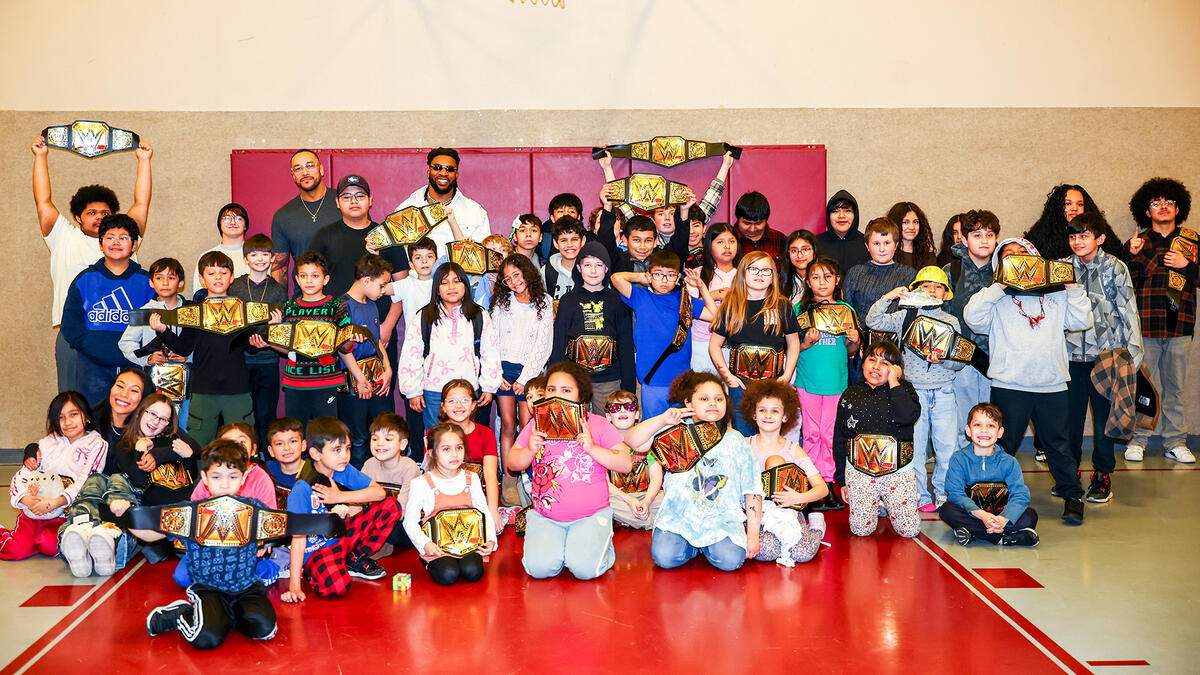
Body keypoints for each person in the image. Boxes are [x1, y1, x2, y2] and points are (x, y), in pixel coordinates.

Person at [964, 238, 1094, 525]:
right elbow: (973, 318)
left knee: (1059, 445)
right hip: (1010, 383)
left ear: (1036, 257)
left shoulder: (1057, 292)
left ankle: (1072, 496)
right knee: (1003, 444)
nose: (1018, 258)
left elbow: (1082, 321)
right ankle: (993, 495)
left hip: (1051, 383)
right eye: (1009, 256)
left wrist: (1073, 286)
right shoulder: (996, 296)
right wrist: (999, 285)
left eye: (1023, 253)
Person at [33, 135, 153, 392]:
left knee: (129, 403)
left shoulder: (123, 238)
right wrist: (40, 156)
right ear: (78, 217)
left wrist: (144, 160)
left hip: (123, 337)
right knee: (73, 402)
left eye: (105, 213)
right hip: (75, 335)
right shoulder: (63, 236)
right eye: (91, 213)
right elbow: (43, 201)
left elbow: (142, 203)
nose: (99, 217)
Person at [139, 440, 280, 650]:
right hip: (209, 588)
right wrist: (125, 516)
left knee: (266, 630)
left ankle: (224, 617)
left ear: (243, 479)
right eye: (216, 477)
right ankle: (181, 613)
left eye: (233, 477)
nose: (224, 484)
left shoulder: (254, 509)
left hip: (246, 587)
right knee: (206, 638)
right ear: (204, 478)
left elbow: (282, 527)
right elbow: (149, 535)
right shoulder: (192, 512)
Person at [622, 371, 762, 571]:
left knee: (731, 561)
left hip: (721, 518)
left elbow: (752, 489)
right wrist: (662, 420)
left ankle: (709, 546)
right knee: (665, 558)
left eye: (719, 399)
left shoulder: (736, 439)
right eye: (704, 399)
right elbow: (632, 441)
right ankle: (693, 547)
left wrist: (753, 536)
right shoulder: (674, 430)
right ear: (688, 402)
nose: (713, 403)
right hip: (679, 517)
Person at [507, 362, 632, 580]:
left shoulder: (598, 424)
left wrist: (592, 448)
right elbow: (512, 463)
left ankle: (600, 542)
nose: (557, 395)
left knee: (585, 570)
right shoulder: (536, 424)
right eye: (551, 389)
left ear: (580, 394)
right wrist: (529, 450)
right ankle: (564, 545)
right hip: (547, 517)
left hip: (590, 516)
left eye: (566, 390)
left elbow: (625, 463)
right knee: (539, 570)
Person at [865, 267, 967, 509]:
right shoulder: (904, 316)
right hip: (914, 393)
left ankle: (944, 493)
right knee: (916, 447)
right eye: (925, 286)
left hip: (944, 391)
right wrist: (889, 297)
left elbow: (960, 362)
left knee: (947, 448)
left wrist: (944, 360)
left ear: (946, 294)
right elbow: (872, 321)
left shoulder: (951, 321)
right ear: (915, 290)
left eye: (938, 286)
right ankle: (920, 494)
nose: (931, 290)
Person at [307, 174, 410, 398]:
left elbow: (404, 287)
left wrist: (387, 325)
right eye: (347, 196)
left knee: (380, 400)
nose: (354, 201)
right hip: (338, 336)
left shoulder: (388, 236)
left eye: (360, 196)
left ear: (370, 200)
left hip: (379, 332)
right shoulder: (324, 236)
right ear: (337, 202)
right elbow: (310, 283)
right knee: (343, 403)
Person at [1065, 211, 1142, 502]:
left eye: (1084, 236)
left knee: (1104, 422)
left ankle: (1102, 475)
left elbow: (1128, 311)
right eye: (1073, 236)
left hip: (1107, 358)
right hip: (1071, 357)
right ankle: (1069, 473)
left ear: (1100, 238)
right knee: (1069, 422)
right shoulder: (1063, 268)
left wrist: (1133, 355)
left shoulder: (1115, 268)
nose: (1077, 241)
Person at [283, 417, 400, 601]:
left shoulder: (343, 469)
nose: (345, 456)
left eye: (347, 448)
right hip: (317, 551)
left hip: (341, 536)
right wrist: (294, 586)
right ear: (315, 454)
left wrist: (339, 497)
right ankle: (315, 572)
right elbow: (298, 538)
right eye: (337, 450)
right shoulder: (302, 489)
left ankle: (354, 558)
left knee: (391, 506)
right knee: (337, 586)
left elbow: (379, 493)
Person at [251, 251, 371, 424]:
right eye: (303, 276)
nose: (308, 280)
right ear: (297, 279)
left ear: (325, 279)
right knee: (296, 432)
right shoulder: (290, 308)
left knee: (327, 433)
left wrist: (359, 374)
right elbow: (288, 349)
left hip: (327, 382)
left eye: (315, 276)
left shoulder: (336, 307)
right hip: (295, 382)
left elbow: (344, 348)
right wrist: (271, 338)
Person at [1124, 178, 1195, 464]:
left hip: (1180, 326)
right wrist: (1132, 256)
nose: (1163, 207)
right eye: (1156, 203)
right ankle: (1138, 440)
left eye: (1169, 202)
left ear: (1178, 208)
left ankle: (1175, 442)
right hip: (1146, 327)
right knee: (1142, 388)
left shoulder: (1191, 241)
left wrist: (1186, 266)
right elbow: (1126, 283)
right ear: (1147, 210)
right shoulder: (1138, 243)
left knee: (1175, 389)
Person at [152, 251, 254, 446]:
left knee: (241, 443)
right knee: (199, 444)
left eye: (223, 273)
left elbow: (250, 345)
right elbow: (184, 347)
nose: (218, 277)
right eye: (211, 273)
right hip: (203, 390)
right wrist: (163, 330)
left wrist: (263, 337)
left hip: (238, 389)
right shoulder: (194, 312)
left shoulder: (244, 309)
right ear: (201, 279)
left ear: (232, 277)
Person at [61, 214, 155, 407]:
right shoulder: (85, 279)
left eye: (123, 238)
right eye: (110, 237)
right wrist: (89, 346)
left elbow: (158, 325)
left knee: (135, 419)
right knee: (94, 416)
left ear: (134, 245)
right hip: (92, 366)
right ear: (101, 244)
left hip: (135, 366)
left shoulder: (149, 282)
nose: (116, 242)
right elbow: (70, 323)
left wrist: (142, 352)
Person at [1, 392, 107, 561]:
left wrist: (56, 502)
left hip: (65, 515)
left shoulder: (97, 445)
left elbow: (86, 481)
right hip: (35, 511)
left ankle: (36, 540)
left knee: (49, 546)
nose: (67, 422)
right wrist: (25, 499)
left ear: (87, 416)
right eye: (61, 417)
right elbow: (23, 474)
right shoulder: (48, 443)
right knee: (15, 550)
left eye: (74, 414)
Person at [833, 340, 922, 538]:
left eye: (885, 363)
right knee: (861, 530)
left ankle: (889, 501)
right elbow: (839, 437)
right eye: (872, 360)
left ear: (896, 369)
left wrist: (894, 383)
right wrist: (842, 480)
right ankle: (875, 503)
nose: (876, 366)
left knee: (909, 531)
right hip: (859, 473)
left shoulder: (904, 389)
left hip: (898, 472)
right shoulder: (851, 393)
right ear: (863, 362)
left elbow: (907, 417)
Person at [610, 252, 715, 419]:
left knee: (680, 426)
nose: (664, 280)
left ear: (678, 277)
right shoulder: (641, 296)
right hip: (652, 377)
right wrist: (642, 278)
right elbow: (616, 278)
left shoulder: (684, 300)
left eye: (670, 275)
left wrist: (701, 286)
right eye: (658, 274)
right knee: (653, 425)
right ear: (650, 275)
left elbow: (714, 316)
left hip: (681, 379)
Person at [398, 262, 501, 428]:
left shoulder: (479, 315)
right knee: (436, 437)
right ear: (437, 289)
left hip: (468, 390)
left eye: (457, 281)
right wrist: (412, 391)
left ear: (465, 285)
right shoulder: (424, 316)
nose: (451, 287)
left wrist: (489, 386)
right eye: (444, 282)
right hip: (434, 391)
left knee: (466, 438)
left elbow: (490, 352)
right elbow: (411, 355)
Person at [708, 253, 802, 435]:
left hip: (773, 383)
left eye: (766, 270)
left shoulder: (783, 306)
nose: (760, 274)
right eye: (754, 269)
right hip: (740, 386)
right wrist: (728, 377)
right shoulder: (731, 304)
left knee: (770, 435)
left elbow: (794, 343)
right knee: (742, 435)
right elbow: (714, 345)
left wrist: (787, 375)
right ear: (743, 272)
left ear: (773, 276)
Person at [741, 380, 827, 565]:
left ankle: (816, 527)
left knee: (802, 554)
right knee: (766, 551)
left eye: (775, 411)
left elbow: (822, 488)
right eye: (762, 410)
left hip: (788, 511)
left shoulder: (794, 449)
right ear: (754, 414)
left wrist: (798, 497)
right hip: (755, 514)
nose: (768, 415)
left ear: (785, 416)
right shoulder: (744, 445)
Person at [793, 256, 859, 496]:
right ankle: (812, 480)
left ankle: (829, 481)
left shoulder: (846, 310)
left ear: (837, 280)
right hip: (807, 382)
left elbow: (850, 352)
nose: (822, 282)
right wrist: (807, 343)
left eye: (828, 277)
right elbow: (792, 348)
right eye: (816, 277)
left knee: (829, 433)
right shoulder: (799, 310)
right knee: (811, 432)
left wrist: (855, 340)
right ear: (808, 281)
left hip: (836, 383)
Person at [403, 423, 498, 586]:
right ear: (431, 453)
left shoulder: (472, 478)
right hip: (438, 547)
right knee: (448, 574)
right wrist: (426, 544)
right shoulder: (421, 483)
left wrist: (490, 540)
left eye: (459, 448)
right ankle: (429, 562)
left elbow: (484, 512)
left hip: (468, 544)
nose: (454, 454)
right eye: (446, 449)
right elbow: (409, 522)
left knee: (473, 572)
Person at [552, 242, 637, 414]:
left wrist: (628, 387)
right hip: (574, 379)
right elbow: (559, 343)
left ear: (606, 269)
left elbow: (626, 344)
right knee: (574, 425)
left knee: (609, 426)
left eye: (599, 265)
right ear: (578, 268)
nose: (593, 271)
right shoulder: (568, 300)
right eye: (587, 265)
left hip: (609, 380)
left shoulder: (618, 301)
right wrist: (553, 382)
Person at [490, 254, 554, 478]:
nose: (514, 281)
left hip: (530, 372)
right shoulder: (502, 302)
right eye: (507, 278)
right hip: (504, 371)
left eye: (517, 274)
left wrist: (525, 379)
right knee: (508, 424)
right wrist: (496, 373)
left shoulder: (544, 302)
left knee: (528, 426)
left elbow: (544, 345)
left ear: (527, 272)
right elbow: (492, 339)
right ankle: (509, 478)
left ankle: (532, 477)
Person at [939, 404, 1039, 547]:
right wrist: (983, 515)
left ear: (1000, 432)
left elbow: (1020, 495)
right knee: (947, 510)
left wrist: (1003, 519)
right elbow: (955, 493)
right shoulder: (959, 459)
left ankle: (973, 531)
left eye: (991, 426)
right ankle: (1002, 538)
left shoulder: (1009, 462)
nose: (984, 430)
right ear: (968, 430)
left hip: (1000, 514)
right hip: (973, 513)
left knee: (1030, 516)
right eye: (978, 425)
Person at [943, 210, 999, 451]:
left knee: (992, 423)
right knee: (961, 424)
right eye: (977, 235)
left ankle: (989, 470)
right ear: (964, 240)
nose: (984, 240)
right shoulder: (951, 271)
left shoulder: (1003, 272)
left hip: (996, 361)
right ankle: (961, 471)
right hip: (961, 362)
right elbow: (941, 316)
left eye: (989, 234)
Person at [227, 234, 287, 449]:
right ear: (245, 259)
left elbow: (284, 333)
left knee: (265, 414)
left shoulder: (279, 290)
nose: (260, 259)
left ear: (272, 258)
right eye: (254, 255)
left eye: (264, 254)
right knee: (241, 414)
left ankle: (265, 458)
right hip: (240, 360)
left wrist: (274, 329)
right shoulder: (235, 287)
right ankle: (241, 454)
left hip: (267, 360)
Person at [118, 257, 191, 430]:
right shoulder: (145, 312)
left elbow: (203, 344)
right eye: (159, 278)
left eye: (171, 278)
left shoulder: (190, 311)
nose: (165, 283)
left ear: (181, 283)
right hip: (154, 380)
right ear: (151, 282)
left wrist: (188, 356)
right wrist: (147, 358)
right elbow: (125, 342)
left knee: (184, 426)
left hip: (186, 381)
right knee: (153, 425)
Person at [383, 236, 438, 461]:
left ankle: (437, 457)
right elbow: (380, 288)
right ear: (411, 263)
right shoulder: (406, 284)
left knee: (437, 409)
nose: (424, 262)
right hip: (414, 355)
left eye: (429, 256)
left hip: (441, 355)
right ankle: (416, 457)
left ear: (436, 259)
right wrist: (376, 257)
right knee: (415, 408)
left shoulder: (443, 283)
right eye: (418, 258)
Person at [337, 254, 395, 468]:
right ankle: (357, 480)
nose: (383, 291)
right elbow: (342, 349)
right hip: (354, 379)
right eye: (382, 285)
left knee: (382, 429)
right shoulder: (343, 305)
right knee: (358, 437)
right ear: (367, 280)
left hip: (376, 375)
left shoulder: (371, 304)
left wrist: (388, 369)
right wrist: (360, 379)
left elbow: (377, 340)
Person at [393, 147, 491, 254]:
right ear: (428, 172)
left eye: (450, 169)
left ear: (456, 175)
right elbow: (397, 256)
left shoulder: (476, 212)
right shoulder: (405, 210)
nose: (443, 173)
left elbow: (482, 257)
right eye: (437, 167)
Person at [271, 149, 342, 291]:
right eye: (298, 168)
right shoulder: (283, 216)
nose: (304, 172)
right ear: (293, 175)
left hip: (345, 297)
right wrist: (278, 301)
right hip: (305, 299)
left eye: (310, 166)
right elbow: (280, 268)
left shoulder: (344, 203)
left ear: (321, 169)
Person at [438, 379, 502, 533]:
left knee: (489, 528)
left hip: (476, 497)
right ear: (443, 406)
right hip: (444, 497)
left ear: (473, 405)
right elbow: (432, 475)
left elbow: (490, 476)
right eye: (452, 401)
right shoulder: (434, 435)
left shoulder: (486, 434)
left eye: (465, 400)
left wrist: (493, 511)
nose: (459, 406)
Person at [361, 412, 421, 558]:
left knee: (392, 530)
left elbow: (402, 511)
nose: (380, 443)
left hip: (403, 524)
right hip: (375, 522)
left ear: (403, 444)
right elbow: (358, 500)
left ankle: (382, 546)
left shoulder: (409, 467)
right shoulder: (369, 464)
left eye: (388, 439)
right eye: (375, 438)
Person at [604, 390, 662, 529]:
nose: (622, 411)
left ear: (637, 415)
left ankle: (634, 518)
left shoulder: (646, 442)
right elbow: (604, 483)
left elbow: (656, 476)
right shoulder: (603, 445)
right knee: (603, 501)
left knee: (668, 498)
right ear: (608, 416)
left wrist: (647, 501)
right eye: (616, 408)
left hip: (645, 496)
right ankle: (656, 522)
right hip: (619, 498)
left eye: (629, 407)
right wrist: (629, 500)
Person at [1025, 184, 1125, 262]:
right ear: (1058, 206)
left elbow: (1118, 256)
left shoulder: (1098, 228)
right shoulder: (1042, 233)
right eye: (1068, 204)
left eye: (1080, 204)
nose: (1074, 208)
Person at [843, 217, 918, 320]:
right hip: (861, 330)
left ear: (896, 245)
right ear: (867, 246)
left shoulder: (910, 275)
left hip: (898, 330)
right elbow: (848, 313)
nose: (882, 249)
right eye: (876, 243)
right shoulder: (855, 273)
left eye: (887, 243)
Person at [690, 224, 739, 373]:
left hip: (735, 346)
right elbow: (688, 307)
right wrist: (715, 295)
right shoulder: (697, 274)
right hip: (702, 344)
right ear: (709, 246)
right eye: (720, 242)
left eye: (731, 241)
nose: (727, 246)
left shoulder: (745, 274)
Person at [193, 203, 251, 291]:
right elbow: (199, 292)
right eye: (227, 219)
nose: (232, 222)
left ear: (245, 225)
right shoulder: (207, 256)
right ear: (220, 224)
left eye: (238, 219)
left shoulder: (258, 255)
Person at [817, 190, 868, 273]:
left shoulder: (867, 244)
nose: (841, 216)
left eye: (847, 210)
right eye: (835, 211)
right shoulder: (816, 243)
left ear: (855, 214)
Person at [542, 217, 587, 300]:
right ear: (556, 243)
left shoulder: (594, 270)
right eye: (563, 240)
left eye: (574, 239)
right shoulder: (546, 272)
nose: (569, 245)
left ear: (583, 241)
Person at [732, 191, 786, 260]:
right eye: (747, 223)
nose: (752, 229)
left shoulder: (780, 239)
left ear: (766, 220)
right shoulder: (728, 240)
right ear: (738, 219)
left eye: (758, 224)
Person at [888, 202, 937, 270]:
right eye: (905, 222)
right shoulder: (886, 252)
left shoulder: (927, 253)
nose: (912, 227)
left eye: (915, 222)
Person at [265, 417, 305, 493]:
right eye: (279, 444)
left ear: (303, 445)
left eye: (293, 441)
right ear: (271, 451)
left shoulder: (314, 472)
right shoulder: (265, 471)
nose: (286, 448)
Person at [780, 230, 818, 305]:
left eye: (805, 250)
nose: (799, 255)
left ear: (814, 250)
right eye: (794, 251)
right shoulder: (781, 281)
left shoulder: (824, 279)